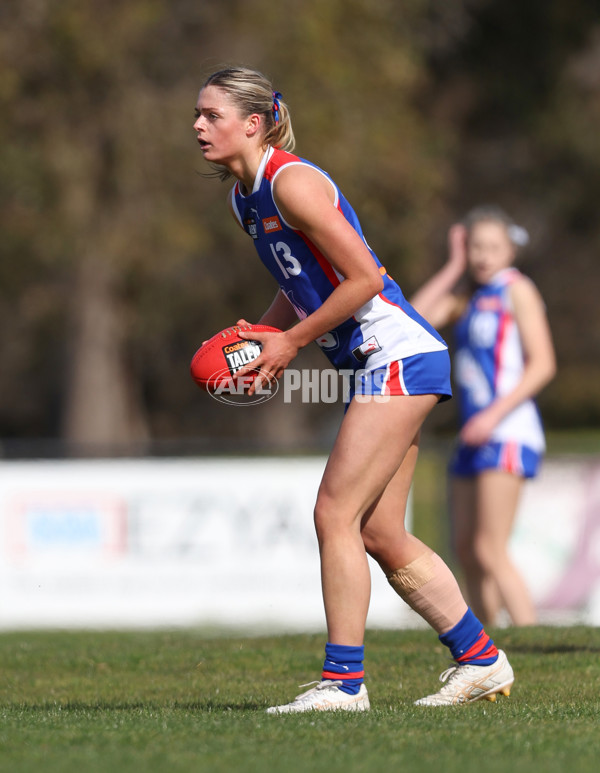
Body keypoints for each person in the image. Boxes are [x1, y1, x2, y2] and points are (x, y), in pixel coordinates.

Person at [193, 66, 515, 710]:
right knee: (379, 533)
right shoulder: (243, 198)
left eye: (212, 115)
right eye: (197, 116)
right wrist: (266, 333)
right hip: (378, 363)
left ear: (253, 124)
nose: (198, 127)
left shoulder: (293, 183)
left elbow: (367, 278)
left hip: (397, 353)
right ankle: (481, 659)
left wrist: (291, 343)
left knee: (333, 513)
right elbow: (298, 282)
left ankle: (344, 685)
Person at [411, 207, 556, 626]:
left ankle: (532, 639)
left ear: (511, 251)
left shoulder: (517, 290)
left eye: (493, 247)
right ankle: (491, 647)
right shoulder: (467, 297)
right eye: (475, 247)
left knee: (491, 548)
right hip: (473, 434)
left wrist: (493, 417)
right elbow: (413, 318)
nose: (483, 256)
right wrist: (452, 267)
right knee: (467, 550)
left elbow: (543, 364)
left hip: (507, 430)